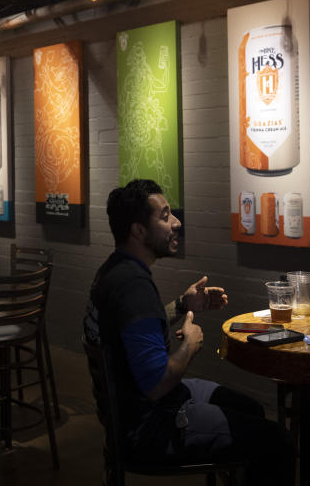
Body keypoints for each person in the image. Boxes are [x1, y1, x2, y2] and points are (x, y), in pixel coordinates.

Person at [84, 179, 295, 486]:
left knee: (249, 409)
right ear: (138, 231)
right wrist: (191, 346)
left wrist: (183, 305)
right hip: (149, 427)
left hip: (129, 411)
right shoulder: (134, 288)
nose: (177, 222)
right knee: (278, 441)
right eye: (165, 215)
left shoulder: (115, 270)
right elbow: (157, 384)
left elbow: (135, 327)